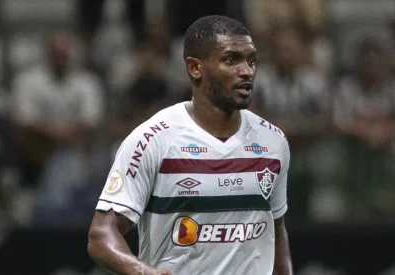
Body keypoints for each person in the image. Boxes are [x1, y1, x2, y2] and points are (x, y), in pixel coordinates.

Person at [87, 15, 293, 275]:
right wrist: (143, 271)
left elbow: (276, 230)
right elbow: (101, 235)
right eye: (231, 60)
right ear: (195, 68)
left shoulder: (273, 142)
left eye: (251, 60)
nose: (247, 71)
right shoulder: (153, 139)